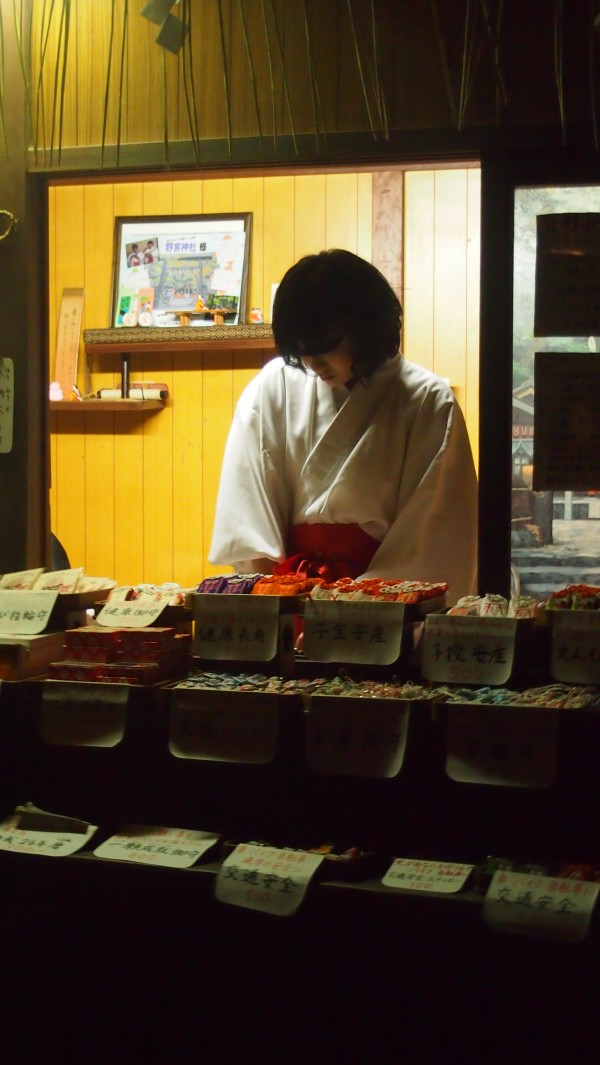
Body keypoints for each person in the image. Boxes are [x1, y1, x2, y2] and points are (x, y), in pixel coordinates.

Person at [209, 249, 477, 604]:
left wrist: (355, 603)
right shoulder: (274, 386)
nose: (312, 363)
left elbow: (433, 537)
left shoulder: (427, 400)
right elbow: (249, 513)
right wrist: (274, 601)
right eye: (301, 351)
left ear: (365, 329)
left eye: (324, 347)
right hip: (285, 599)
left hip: (384, 607)